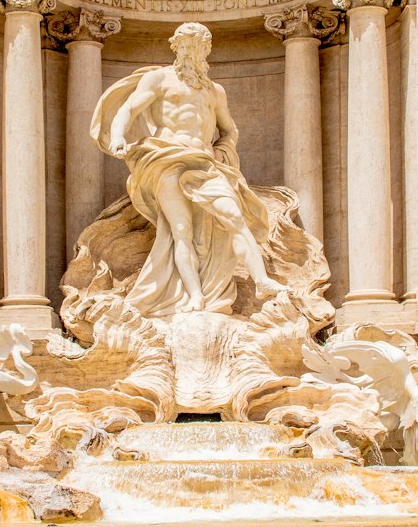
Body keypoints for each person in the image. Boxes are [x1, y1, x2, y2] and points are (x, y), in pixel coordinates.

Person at [91, 21, 283, 316]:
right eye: (185, 45)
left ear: (206, 50)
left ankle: (262, 281)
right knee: (181, 230)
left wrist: (223, 151)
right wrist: (118, 136)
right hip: (166, 157)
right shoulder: (159, 79)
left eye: (197, 45)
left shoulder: (215, 91)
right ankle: (195, 297)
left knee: (234, 217)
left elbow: (230, 130)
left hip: (205, 163)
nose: (191, 51)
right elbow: (128, 110)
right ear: (175, 47)